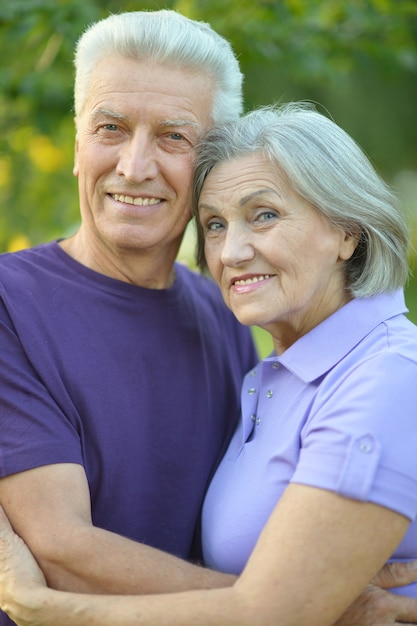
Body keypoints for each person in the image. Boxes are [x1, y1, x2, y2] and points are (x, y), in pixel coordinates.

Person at [0, 8, 416, 625]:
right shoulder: (11, 302)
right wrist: (310, 600)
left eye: (173, 136)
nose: (135, 166)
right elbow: (62, 550)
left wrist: (299, 596)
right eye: (110, 127)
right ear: (78, 143)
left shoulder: (223, 316)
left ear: (206, 168)